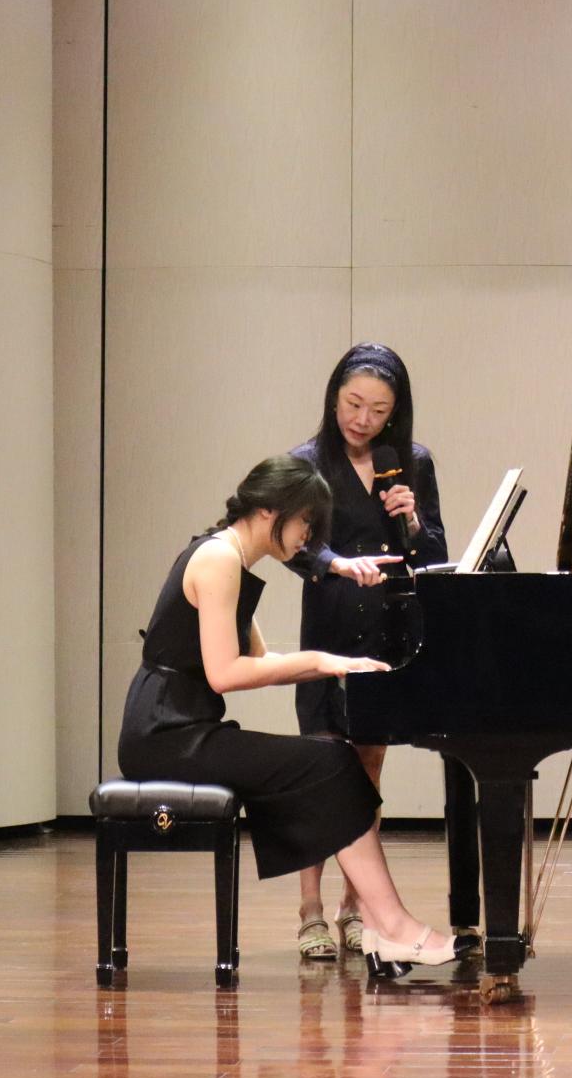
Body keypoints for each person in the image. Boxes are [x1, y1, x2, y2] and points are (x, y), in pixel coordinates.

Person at [116, 454, 460, 973]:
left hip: (182, 726)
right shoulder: (218, 559)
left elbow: (258, 659)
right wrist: (321, 660)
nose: (308, 538)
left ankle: (384, 924)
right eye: (305, 522)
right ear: (268, 511)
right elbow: (226, 674)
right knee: (329, 762)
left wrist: (337, 665)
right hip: (163, 734)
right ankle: (391, 926)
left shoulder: (232, 558)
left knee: (334, 760)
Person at [286, 343, 449, 961]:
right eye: (354, 404)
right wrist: (336, 562)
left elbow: (434, 555)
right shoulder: (307, 464)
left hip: (384, 633)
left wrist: (413, 521)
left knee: (369, 771)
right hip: (330, 629)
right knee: (320, 770)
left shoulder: (411, 463)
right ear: (334, 397)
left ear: (394, 413)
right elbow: (292, 544)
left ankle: (356, 908)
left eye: (378, 411)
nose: (362, 419)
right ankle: (309, 909)